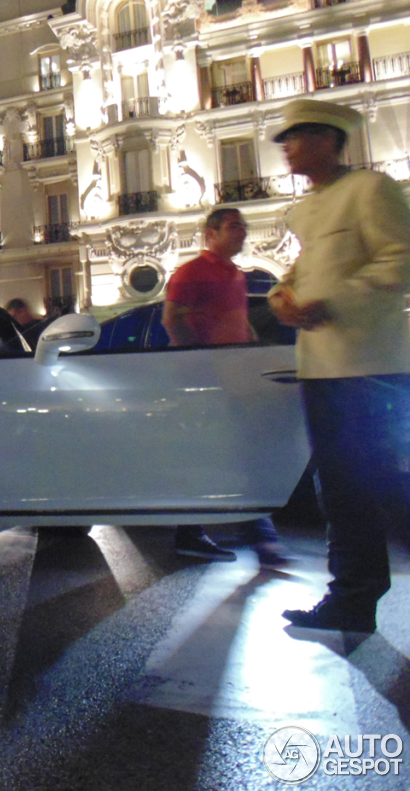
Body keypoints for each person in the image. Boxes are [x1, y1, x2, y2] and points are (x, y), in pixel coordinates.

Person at [267, 99, 410, 634]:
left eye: (296, 137)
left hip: (370, 365)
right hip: (322, 368)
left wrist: (336, 301)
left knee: (385, 483)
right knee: (343, 488)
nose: (286, 147)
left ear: (328, 139)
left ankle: (353, 595)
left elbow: (401, 259)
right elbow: (299, 270)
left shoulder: (371, 190)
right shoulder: (305, 209)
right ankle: (351, 598)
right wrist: (282, 297)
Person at [162, 206, 292, 567]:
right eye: (234, 227)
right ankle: (261, 538)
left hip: (237, 379)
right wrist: (203, 365)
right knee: (239, 453)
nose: (242, 232)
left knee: (227, 454)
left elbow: (238, 323)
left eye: (243, 226)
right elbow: (172, 319)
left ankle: (194, 533)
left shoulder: (236, 275)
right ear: (211, 234)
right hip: (212, 383)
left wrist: (252, 350)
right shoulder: (191, 273)